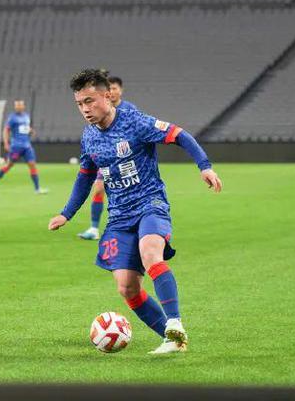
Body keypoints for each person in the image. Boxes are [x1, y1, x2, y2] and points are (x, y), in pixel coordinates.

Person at [48, 69, 222, 355]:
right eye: (79, 104)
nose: (85, 109)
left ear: (108, 96)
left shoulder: (135, 122)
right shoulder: (89, 137)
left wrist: (205, 166)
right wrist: (66, 213)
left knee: (150, 252)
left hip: (150, 203)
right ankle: (172, 339)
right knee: (126, 287)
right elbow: (85, 177)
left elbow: (179, 135)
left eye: (89, 101)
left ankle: (175, 322)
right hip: (118, 216)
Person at [78, 75, 138, 241]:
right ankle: (94, 228)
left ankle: (136, 224)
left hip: (126, 160)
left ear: (120, 91)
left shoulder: (130, 109)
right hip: (105, 160)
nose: (111, 91)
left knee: (129, 192)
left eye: (114, 88)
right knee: (98, 188)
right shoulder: (97, 109)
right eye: (109, 88)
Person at [0, 100, 48, 194]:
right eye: (16, 105)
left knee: (32, 164)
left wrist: (31, 131)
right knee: (9, 165)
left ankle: (37, 189)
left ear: (23, 106)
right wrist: (6, 143)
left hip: (27, 146)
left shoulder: (26, 116)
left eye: (20, 105)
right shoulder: (12, 118)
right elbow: (6, 130)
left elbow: (25, 128)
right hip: (16, 147)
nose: (18, 107)